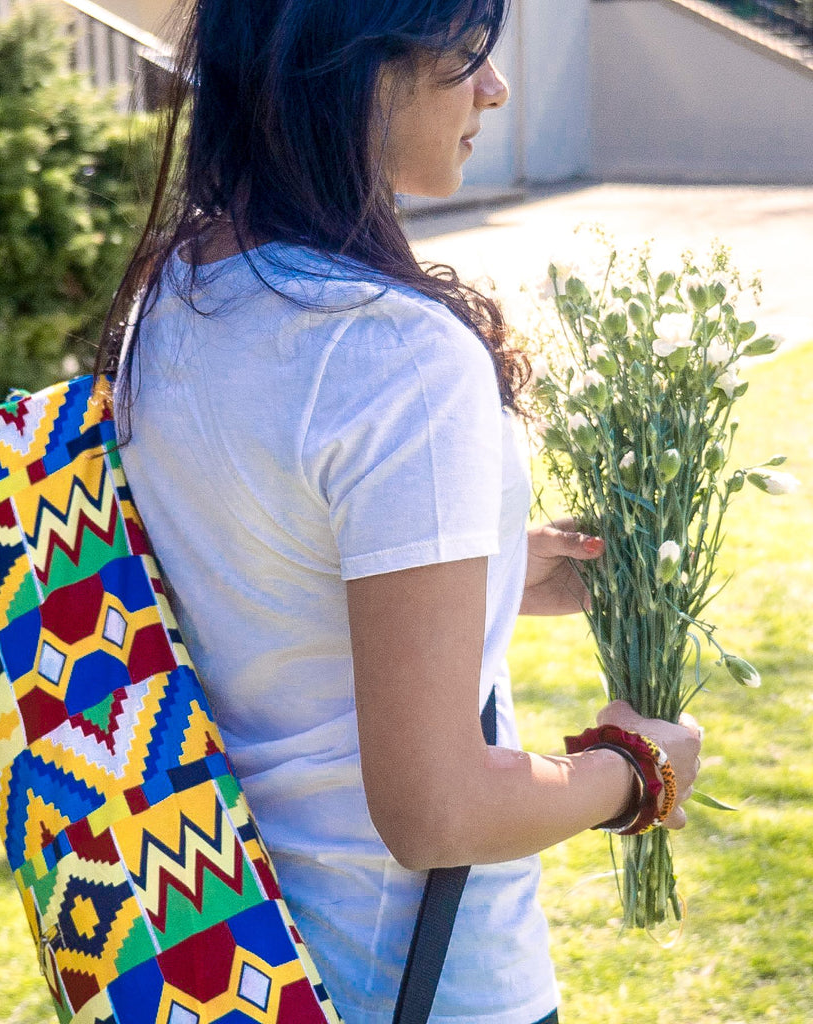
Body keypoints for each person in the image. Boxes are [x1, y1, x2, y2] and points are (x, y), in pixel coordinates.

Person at [95, 1, 703, 1021]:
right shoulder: (392, 355)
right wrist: (637, 768)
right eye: (465, 56)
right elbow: (436, 809)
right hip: (415, 985)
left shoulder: (179, 294)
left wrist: (491, 562)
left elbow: (264, 569)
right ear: (350, 70)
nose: (495, 88)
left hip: (223, 961)